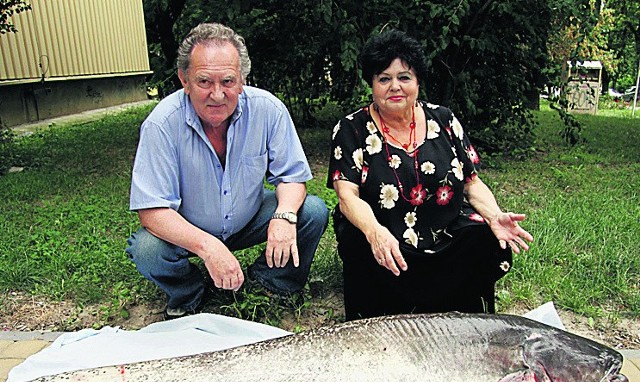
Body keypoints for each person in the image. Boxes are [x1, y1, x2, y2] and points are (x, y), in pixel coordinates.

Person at [126, 22, 329, 319]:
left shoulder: (268, 110)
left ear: (243, 79)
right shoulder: (161, 125)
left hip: (249, 217)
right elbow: (152, 210)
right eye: (204, 82)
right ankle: (190, 293)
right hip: (190, 227)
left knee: (310, 211)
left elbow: (292, 177)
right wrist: (209, 248)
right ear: (184, 79)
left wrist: (284, 216)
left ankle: (271, 284)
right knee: (147, 248)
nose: (218, 95)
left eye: (228, 82)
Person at [327, 29, 533, 321]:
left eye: (404, 77)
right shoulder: (351, 129)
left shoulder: (444, 119)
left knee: (483, 237)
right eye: (384, 79)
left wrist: (494, 215)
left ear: (418, 81)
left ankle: (459, 312)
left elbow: (472, 183)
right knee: (356, 239)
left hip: (443, 232)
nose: (394, 86)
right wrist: (374, 232)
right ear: (371, 84)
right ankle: (381, 316)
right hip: (386, 235)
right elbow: (347, 196)